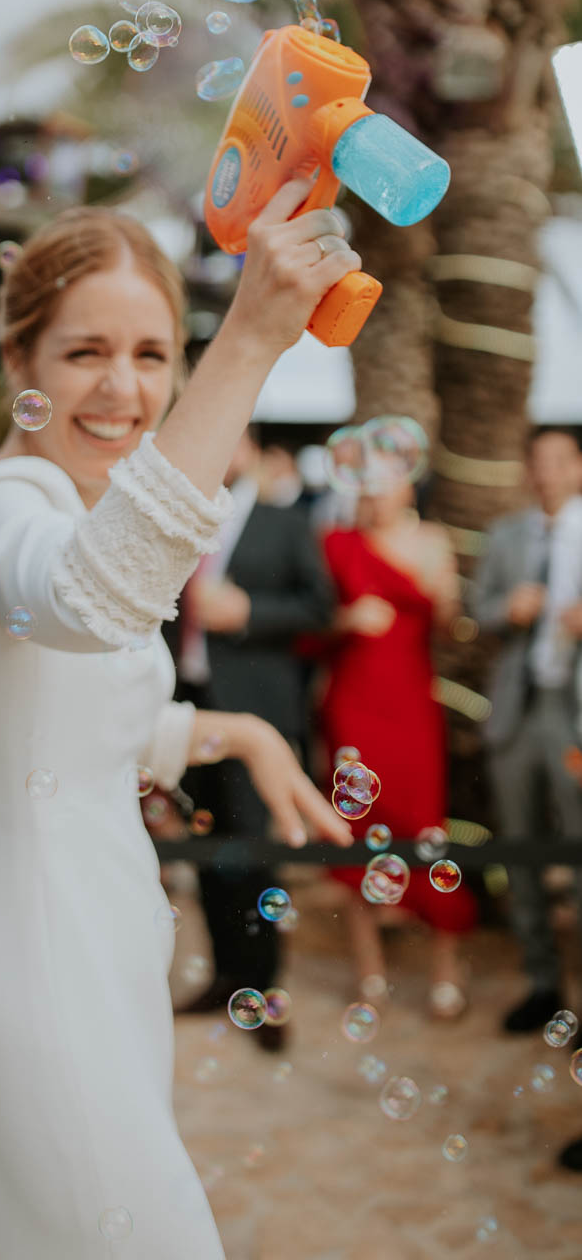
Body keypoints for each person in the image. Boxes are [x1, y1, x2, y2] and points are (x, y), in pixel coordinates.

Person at [0, 188, 357, 1260]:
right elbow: (90, 600)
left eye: (155, 354)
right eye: (86, 352)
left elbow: (69, 725)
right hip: (28, 961)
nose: (124, 387)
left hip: (101, 951)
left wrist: (236, 735)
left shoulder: (74, 511)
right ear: (21, 360)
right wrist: (248, 341)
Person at [174, 424, 334, 1042]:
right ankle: (223, 976)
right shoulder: (177, 518)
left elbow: (318, 609)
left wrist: (247, 613)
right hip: (187, 707)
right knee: (205, 847)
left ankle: (265, 993)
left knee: (254, 852)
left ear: (248, 448)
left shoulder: (284, 522)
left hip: (252, 711)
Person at [318, 458, 476, 1015]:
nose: (375, 493)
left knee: (422, 829)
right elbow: (310, 626)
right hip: (354, 705)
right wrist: (344, 619)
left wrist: (448, 598)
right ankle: (370, 974)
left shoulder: (433, 543)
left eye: (385, 481)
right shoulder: (335, 543)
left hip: (411, 704)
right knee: (357, 835)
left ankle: (445, 972)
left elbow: (452, 628)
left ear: (408, 485)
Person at [472, 426, 582, 1034]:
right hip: (517, 712)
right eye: (536, 461)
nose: (546, 473)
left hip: (574, 715)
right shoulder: (507, 534)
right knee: (520, 851)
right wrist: (505, 611)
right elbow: (479, 609)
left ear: (578, 467)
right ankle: (543, 986)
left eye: (558, 461)